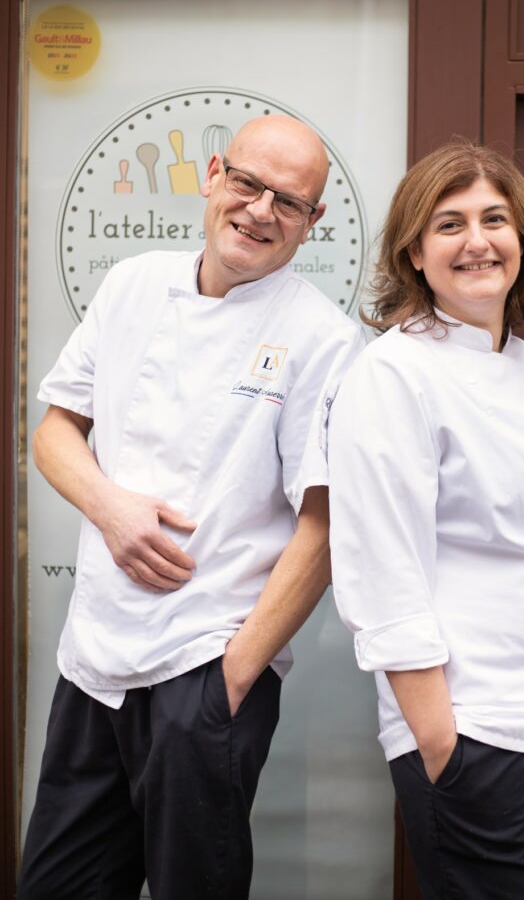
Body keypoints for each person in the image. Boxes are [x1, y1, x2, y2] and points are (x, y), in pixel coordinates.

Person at [19, 114, 365, 900]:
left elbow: (324, 524)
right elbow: (55, 430)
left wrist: (231, 677)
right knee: (56, 884)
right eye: (247, 183)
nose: (259, 210)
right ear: (213, 175)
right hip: (94, 663)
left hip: (201, 667)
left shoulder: (321, 338)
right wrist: (110, 508)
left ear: (310, 225)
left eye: (288, 200)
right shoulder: (134, 283)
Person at [328, 140, 524, 900]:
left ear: (522, 241)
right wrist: (439, 743)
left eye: (494, 219)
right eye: (449, 224)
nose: (476, 242)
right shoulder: (393, 373)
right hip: (478, 730)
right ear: (414, 253)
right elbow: (381, 568)